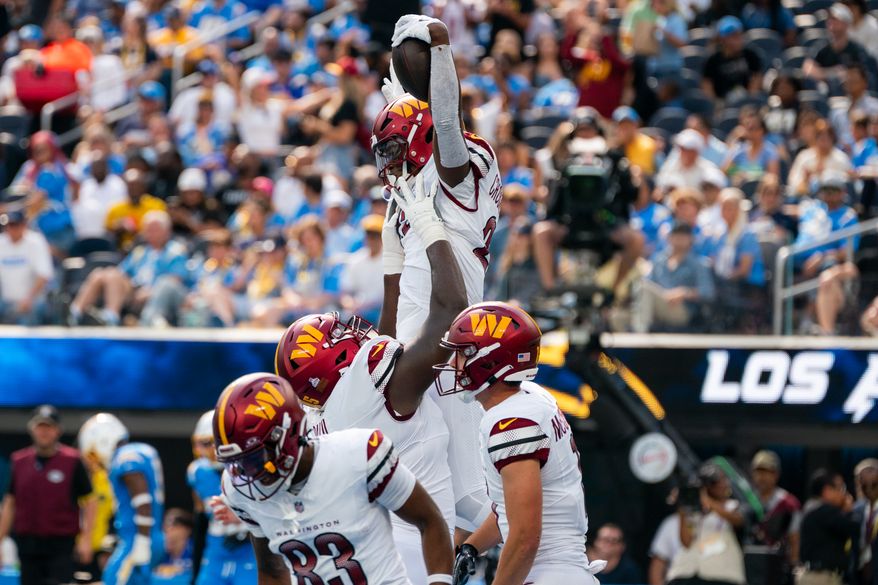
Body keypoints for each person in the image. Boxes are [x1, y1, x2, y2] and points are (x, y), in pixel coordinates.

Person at [274, 174, 466, 583]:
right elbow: (453, 314)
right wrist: (430, 229)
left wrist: (392, 262)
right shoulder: (369, 381)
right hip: (415, 560)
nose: (352, 331)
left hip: (372, 556)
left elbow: (387, 340)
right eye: (338, 335)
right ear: (334, 358)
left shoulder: (324, 417)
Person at [379, 15, 502, 541]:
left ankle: (542, 559)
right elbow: (394, 289)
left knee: (467, 492)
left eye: (396, 147)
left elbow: (447, 127)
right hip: (415, 329)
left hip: (450, 329)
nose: (390, 160)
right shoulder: (410, 182)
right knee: (414, 481)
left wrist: (441, 45)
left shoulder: (464, 161)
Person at [210, 372, 455, 584]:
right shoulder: (237, 489)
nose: (247, 473)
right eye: (237, 463)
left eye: (253, 459)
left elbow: (430, 521)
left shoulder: (359, 454)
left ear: (289, 432)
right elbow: (272, 572)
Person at [445, 302, 604, 585]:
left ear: (490, 360)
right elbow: (514, 509)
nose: (453, 364)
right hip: (561, 571)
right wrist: (471, 547)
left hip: (547, 572)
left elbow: (525, 537)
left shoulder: (512, 421)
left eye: (462, 353)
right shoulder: (530, 397)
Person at [0, 405, 95, 585]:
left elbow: (90, 500)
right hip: (27, 546)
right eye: (40, 426)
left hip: (60, 546)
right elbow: (10, 502)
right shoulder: (18, 461)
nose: (44, 432)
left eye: (49, 427)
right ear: (32, 429)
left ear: (58, 430)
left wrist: (87, 539)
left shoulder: (72, 460)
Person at [78, 413, 164, 585]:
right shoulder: (142, 450)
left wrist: (142, 541)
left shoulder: (125, 457)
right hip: (150, 535)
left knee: (112, 579)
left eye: (93, 454)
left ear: (103, 440)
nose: (97, 461)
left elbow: (142, 500)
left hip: (137, 538)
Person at [69, 210, 189, 327]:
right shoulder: (140, 252)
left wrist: (151, 291)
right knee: (101, 274)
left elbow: (174, 281)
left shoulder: (175, 252)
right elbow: (122, 272)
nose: (151, 233)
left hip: (156, 294)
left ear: (167, 231)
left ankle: (111, 318)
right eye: (148, 230)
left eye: (155, 229)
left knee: (111, 275)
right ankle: (74, 313)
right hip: (134, 290)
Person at [186, 411, 254, 585]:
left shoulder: (251, 469)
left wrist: (246, 526)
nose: (202, 450)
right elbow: (200, 519)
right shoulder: (197, 471)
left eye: (207, 443)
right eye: (199, 443)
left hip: (251, 547)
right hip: (216, 548)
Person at [667, 463, 747, 585]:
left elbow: (739, 521)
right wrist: (682, 509)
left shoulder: (734, 506)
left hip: (723, 576)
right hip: (687, 575)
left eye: (722, 480)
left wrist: (708, 501)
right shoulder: (694, 513)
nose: (721, 485)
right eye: (715, 482)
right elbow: (686, 542)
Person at [644, 222, 716, 332]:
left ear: (691, 239)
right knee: (618, 317)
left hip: (681, 310)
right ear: (669, 238)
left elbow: (708, 292)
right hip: (656, 304)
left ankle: (641, 334)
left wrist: (684, 292)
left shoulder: (698, 264)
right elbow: (648, 284)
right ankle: (638, 335)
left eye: (684, 236)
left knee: (645, 289)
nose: (679, 239)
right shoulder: (659, 260)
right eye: (676, 235)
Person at [748, 450, 802, 582]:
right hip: (750, 565)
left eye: (766, 472)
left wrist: (793, 566)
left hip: (778, 566)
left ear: (776, 474)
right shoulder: (746, 500)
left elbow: (795, 538)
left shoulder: (788, 502)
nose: (761, 477)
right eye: (758, 472)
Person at [798, 469, 859, 585]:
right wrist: (850, 511)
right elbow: (854, 528)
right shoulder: (826, 511)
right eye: (841, 488)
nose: (844, 494)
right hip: (822, 578)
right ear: (827, 491)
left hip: (810, 574)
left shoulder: (811, 508)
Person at [0, 209, 54, 325]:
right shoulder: (1, 242)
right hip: (5, 300)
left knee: (31, 313)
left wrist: (29, 299)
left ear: (24, 225)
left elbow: (44, 275)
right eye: (8, 225)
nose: (11, 229)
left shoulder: (36, 241)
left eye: (15, 225)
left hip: (32, 300)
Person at [702, 16, 763, 101]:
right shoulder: (712, 60)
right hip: (722, 103)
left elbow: (757, 77)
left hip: (746, 101)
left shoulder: (750, 55)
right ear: (722, 39)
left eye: (739, 35)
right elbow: (707, 85)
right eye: (733, 36)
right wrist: (716, 104)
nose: (738, 39)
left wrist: (750, 99)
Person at [852, 459, 878, 585]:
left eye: (873, 484)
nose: (868, 490)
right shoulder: (856, 509)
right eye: (863, 484)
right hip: (858, 573)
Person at [151, 509, 193, 585]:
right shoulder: (160, 552)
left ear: (186, 530)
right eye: (165, 527)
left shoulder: (197, 552)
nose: (167, 530)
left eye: (172, 525)